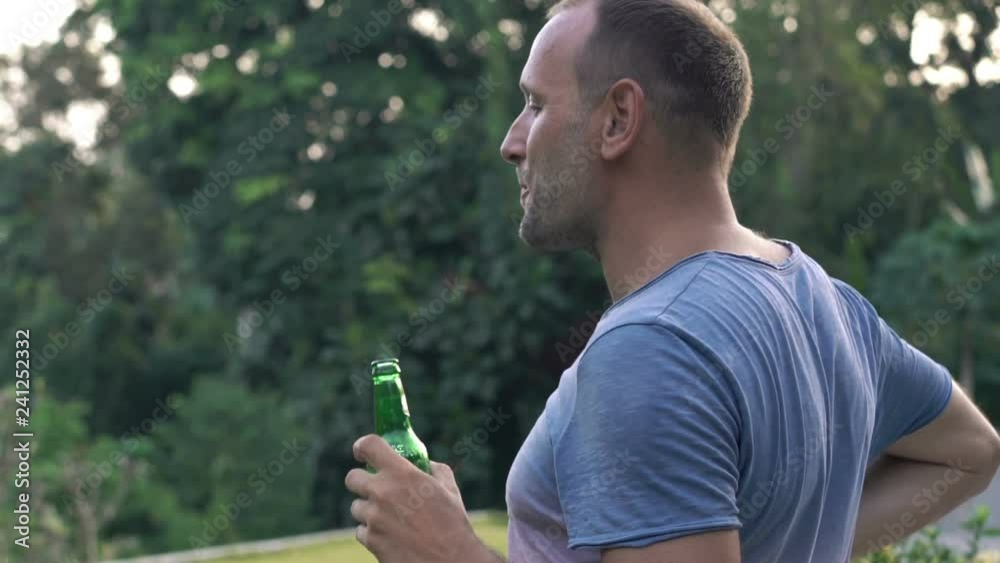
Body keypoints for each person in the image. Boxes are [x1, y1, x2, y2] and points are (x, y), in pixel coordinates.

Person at [344, 0, 1000, 561]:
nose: (512, 142)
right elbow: (969, 450)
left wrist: (453, 554)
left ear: (618, 119)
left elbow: (971, 453)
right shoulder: (828, 302)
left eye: (537, 105)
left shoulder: (650, 348)